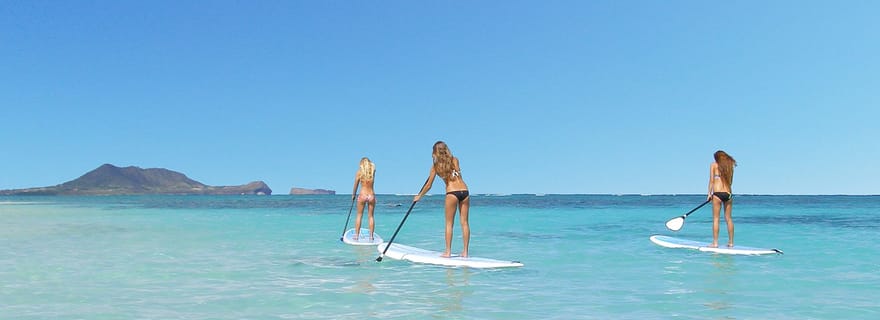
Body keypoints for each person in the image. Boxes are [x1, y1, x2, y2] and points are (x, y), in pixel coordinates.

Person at [413, 141, 470, 258]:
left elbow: (428, 186)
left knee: (449, 224)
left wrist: (419, 196)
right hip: (465, 191)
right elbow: (458, 174)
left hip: (452, 193)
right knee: (464, 222)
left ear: (435, 152)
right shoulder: (455, 160)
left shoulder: (435, 166)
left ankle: (448, 252)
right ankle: (465, 252)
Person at [707, 150, 737, 248]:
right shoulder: (730, 166)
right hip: (728, 194)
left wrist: (709, 194)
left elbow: (711, 181)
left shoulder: (713, 165)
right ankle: (731, 242)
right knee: (729, 218)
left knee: (716, 219)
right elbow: (730, 182)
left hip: (717, 194)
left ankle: (715, 243)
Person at [351, 157, 376, 241]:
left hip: (362, 195)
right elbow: (373, 167)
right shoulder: (372, 172)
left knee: (359, 215)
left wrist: (353, 194)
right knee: (371, 216)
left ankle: (356, 236)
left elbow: (356, 184)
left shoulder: (359, 172)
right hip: (371, 195)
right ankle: (371, 236)